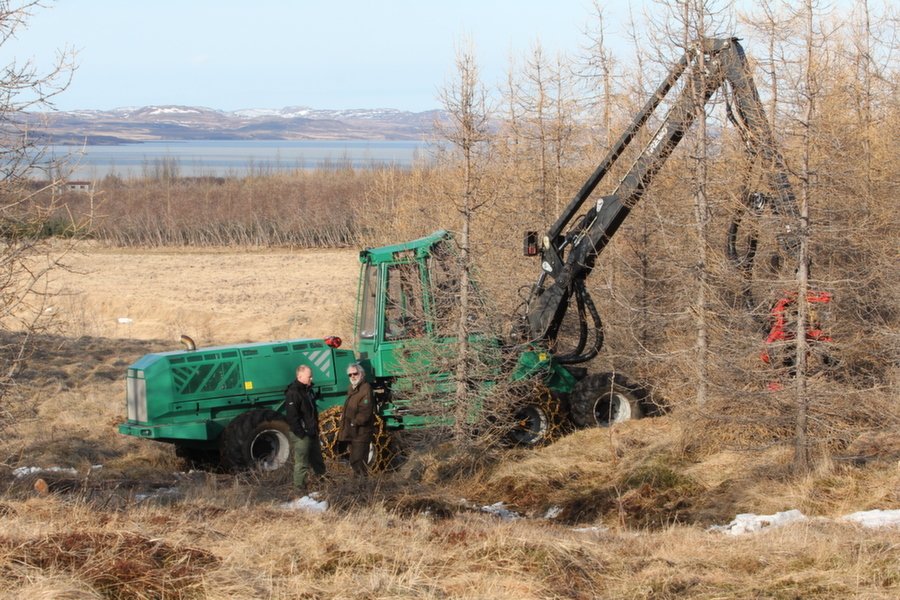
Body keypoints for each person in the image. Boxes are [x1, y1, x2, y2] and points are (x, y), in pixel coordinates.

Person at [284, 364, 325, 491]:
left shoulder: (308, 391)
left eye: (311, 376)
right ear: (300, 376)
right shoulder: (293, 392)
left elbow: (311, 413)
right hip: (302, 435)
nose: (311, 379)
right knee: (302, 464)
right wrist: (302, 434)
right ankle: (299, 491)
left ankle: (324, 487)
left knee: (318, 461)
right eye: (309, 376)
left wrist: (314, 430)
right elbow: (292, 417)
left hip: (312, 432)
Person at [337, 362, 376, 477]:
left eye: (355, 373)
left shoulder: (366, 389)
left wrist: (354, 422)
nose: (353, 376)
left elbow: (365, 412)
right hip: (352, 431)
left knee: (359, 463)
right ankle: (357, 489)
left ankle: (363, 490)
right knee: (354, 461)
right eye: (350, 375)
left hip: (361, 432)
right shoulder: (352, 388)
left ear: (362, 374)